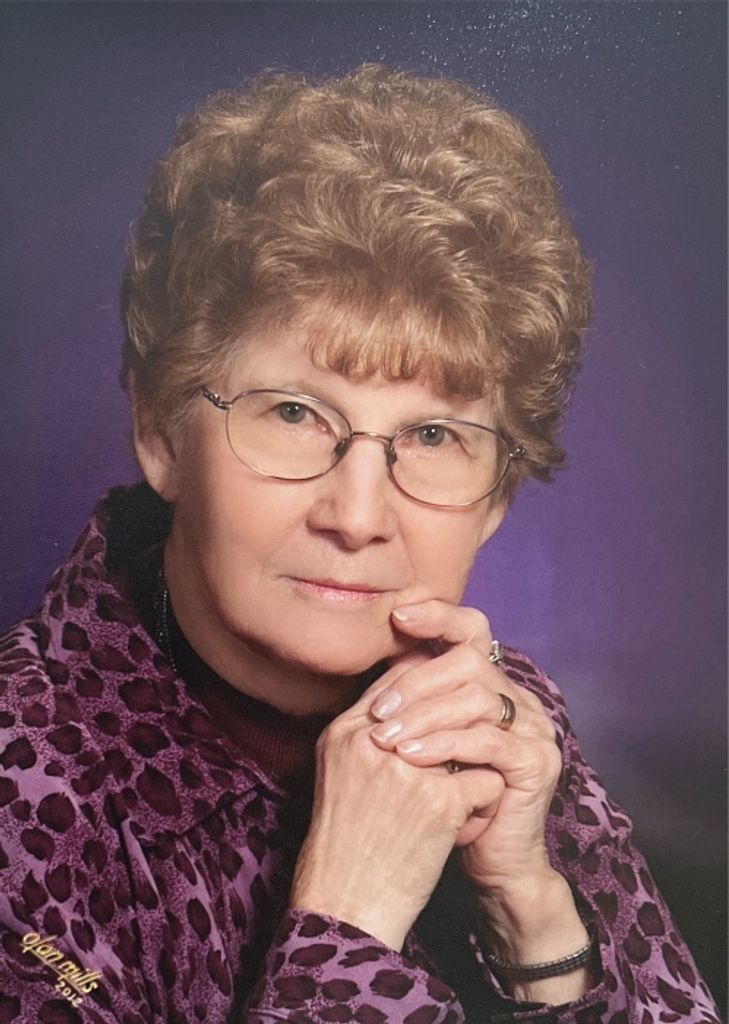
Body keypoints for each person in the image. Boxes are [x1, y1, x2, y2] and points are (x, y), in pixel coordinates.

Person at [0, 65, 719, 1024]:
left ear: (496, 496)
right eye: (294, 413)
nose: (357, 514)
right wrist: (349, 919)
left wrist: (533, 917)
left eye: (433, 435)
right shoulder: (22, 786)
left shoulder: (495, 717)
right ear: (161, 433)